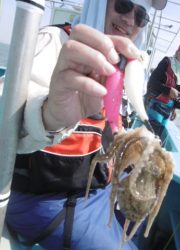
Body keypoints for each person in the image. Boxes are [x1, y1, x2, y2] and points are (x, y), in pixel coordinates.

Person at [3, 0, 168, 250]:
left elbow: (110, 129)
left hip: (97, 187)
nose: (130, 20)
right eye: (123, 5)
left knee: (143, 215)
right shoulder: (56, 41)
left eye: (140, 15)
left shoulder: (123, 69)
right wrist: (48, 116)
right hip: (47, 198)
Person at [145, 42, 180, 137]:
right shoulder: (166, 62)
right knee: (151, 134)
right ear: (177, 53)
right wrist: (168, 90)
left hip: (168, 108)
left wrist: (175, 108)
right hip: (157, 104)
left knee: (159, 134)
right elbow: (153, 82)